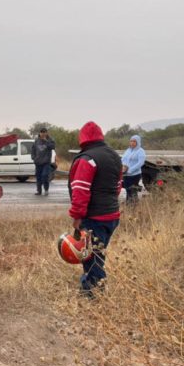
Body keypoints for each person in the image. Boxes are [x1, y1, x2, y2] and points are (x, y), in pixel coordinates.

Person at [68, 121, 123, 298]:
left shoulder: (87, 159)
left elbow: (80, 191)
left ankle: (93, 293)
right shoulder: (114, 156)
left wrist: (77, 217)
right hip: (112, 216)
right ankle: (91, 287)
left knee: (91, 257)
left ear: (82, 138)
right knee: (97, 253)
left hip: (95, 217)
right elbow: (118, 187)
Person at [121, 135, 146, 204]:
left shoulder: (141, 151)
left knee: (133, 190)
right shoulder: (128, 150)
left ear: (138, 142)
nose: (132, 143)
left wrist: (130, 170)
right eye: (131, 141)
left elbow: (140, 163)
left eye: (134, 141)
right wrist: (122, 167)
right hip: (126, 174)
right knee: (127, 190)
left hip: (135, 175)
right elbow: (123, 159)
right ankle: (129, 205)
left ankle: (134, 206)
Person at [31, 128, 56, 195]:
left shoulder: (50, 140)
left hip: (46, 163)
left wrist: (46, 141)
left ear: (47, 133)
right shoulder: (36, 141)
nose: (43, 134)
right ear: (40, 133)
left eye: (44, 132)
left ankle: (46, 190)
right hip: (38, 162)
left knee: (45, 176)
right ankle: (39, 191)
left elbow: (53, 147)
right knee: (38, 177)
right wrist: (34, 158)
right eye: (42, 132)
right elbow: (33, 150)